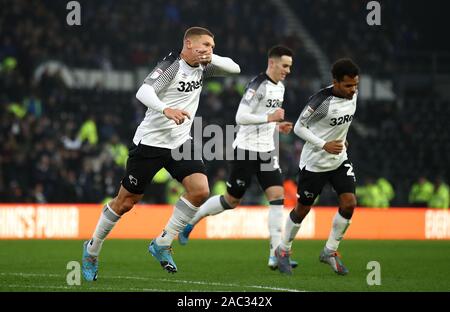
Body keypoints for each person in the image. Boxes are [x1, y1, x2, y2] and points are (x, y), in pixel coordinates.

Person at [81, 26, 240, 280]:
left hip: (179, 142)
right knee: (125, 203)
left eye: (212, 46)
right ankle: (91, 250)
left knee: (200, 191)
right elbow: (143, 91)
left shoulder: (203, 66)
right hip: (150, 144)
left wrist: (211, 57)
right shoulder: (172, 65)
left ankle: (162, 243)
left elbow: (235, 68)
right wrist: (166, 109)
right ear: (188, 44)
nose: (210, 50)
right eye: (205, 45)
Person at [178, 45, 298, 270]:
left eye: (290, 67)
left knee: (277, 198)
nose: (288, 71)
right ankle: (191, 221)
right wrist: (269, 117)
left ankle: (275, 255)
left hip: (267, 151)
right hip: (245, 150)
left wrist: (278, 124)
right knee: (232, 200)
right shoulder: (257, 85)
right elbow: (241, 117)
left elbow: (267, 119)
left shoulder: (280, 88)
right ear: (272, 63)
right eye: (285, 66)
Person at [275, 58, 360, 275]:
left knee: (349, 203)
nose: (353, 90)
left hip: (339, 159)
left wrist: (342, 137)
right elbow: (299, 128)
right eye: (348, 85)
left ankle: (329, 251)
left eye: (355, 85)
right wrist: (324, 144)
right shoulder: (321, 101)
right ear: (336, 82)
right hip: (314, 163)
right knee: (303, 209)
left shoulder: (353, 95)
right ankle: (283, 250)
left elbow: (343, 121)